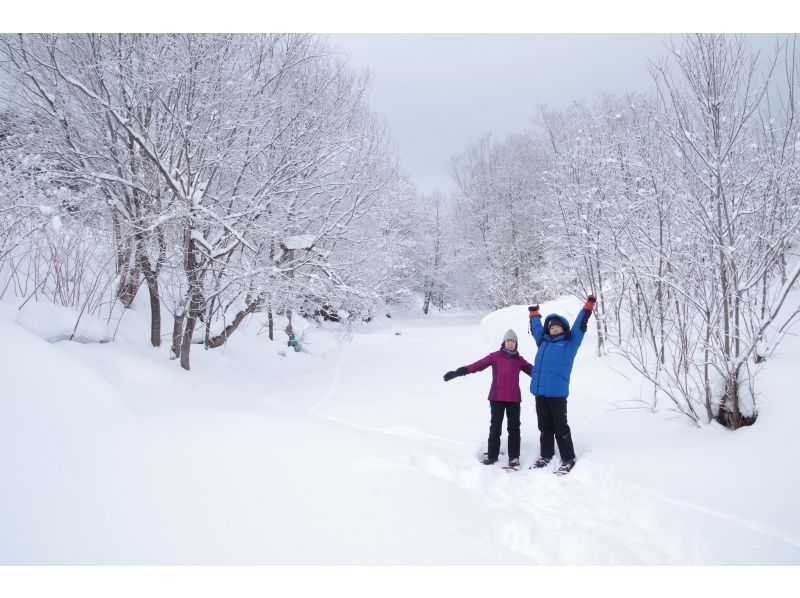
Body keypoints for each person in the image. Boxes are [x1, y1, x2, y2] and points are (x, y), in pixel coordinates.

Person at [527, 295, 596, 475]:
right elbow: (536, 330)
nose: (554, 329)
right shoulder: (543, 342)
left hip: (557, 394)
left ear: (563, 328)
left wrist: (587, 307)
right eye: (551, 327)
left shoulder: (569, 344)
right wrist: (534, 314)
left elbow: (579, 327)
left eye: (557, 327)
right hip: (540, 392)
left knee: (560, 426)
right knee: (544, 426)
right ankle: (546, 454)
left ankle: (568, 458)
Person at [443, 329, 532, 468]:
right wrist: (459, 372)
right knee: (495, 427)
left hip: (514, 398)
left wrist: (550, 375)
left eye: (513, 341)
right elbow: (477, 365)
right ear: (503, 343)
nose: (510, 343)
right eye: (508, 341)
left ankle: (514, 457)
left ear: (516, 344)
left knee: (514, 428)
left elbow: (534, 372)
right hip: (496, 397)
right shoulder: (495, 356)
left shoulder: (519, 360)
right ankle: (492, 455)